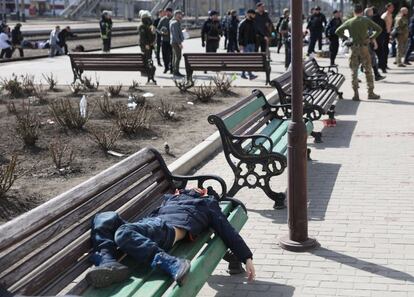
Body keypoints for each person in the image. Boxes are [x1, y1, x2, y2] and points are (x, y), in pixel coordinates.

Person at [85, 188, 256, 288]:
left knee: (123, 232)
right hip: (147, 228)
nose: (194, 188)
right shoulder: (171, 198)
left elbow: (227, 230)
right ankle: (108, 262)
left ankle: (171, 262)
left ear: (203, 194)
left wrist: (246, 257)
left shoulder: (207, 204)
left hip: (166, 230)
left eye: (199, 189)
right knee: (104, 217)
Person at [335, 4, 382, 101]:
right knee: (368, 70)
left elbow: (338, 31)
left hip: (353, 48)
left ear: (354, 12)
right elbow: (379, 29)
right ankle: (370, 93)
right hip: (364, 48)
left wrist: (347, 38)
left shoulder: (349, 21)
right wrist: (371, 37)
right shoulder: (366, 20)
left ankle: (356, 94)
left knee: (354, 71)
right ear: (361, 11)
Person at [364, 7, 385, 81]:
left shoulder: (361, 19)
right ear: (369, 13)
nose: (373, 13)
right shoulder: (369, 20)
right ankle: (376, 75)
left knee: (359, 60)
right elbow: (371, 33)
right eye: (371, 12)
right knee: (373, 59)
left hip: (359, 43)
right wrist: (375, 42)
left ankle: (356, 77)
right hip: (367, 43)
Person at [238, 9, 258, 80]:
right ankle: (250, 74)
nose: (254, 16)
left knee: (247, 59)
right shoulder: (243, 23)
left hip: (252, 43)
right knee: (248, 59)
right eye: (253, 14)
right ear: (249, 14)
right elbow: (239, 34)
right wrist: (240, 44)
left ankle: (243, 74)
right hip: (245, 44)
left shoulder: (253, 22)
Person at [372, 7, 388, 74]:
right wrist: (382, 38)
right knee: (381, 55)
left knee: (369, 56)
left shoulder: (370, 20)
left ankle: (363, 69)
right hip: (380, 39)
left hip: (371, 39)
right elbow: (385, 30)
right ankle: (383, 68)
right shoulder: (382, 20)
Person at [158, 7, 173, 73]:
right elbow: (158, 29)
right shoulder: (163, 19)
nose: (168, 13)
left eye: (169, 12)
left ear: (171, 12)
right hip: (164, 40)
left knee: (172, 55)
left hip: (172, 41)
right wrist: (161, 32)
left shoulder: (174, 19)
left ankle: (172, 68)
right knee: (164, 55)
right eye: (167, 12)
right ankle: (166, 67)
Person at [170, 10, 185, 77]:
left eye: (181, 15)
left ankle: (174, 70)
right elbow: (175, 35)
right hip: (176, 42)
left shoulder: (172, 21)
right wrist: (179, 43)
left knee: (174, 56)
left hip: (173, 41)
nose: (180, 16)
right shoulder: (175, 23)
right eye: (179, 15)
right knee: (178, 56)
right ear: (175, 15)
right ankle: (176, 71)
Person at [381, 3, 394, 71]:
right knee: (384, 50)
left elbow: (390, 25)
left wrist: (390, 33)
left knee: (386, 50)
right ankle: (382, 65)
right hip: (384, 34)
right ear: (388, 8)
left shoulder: (390, 15)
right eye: (391, 7)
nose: (393, 9)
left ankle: (385, 64)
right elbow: (382, 25)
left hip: (388, 33)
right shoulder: (384, 15)